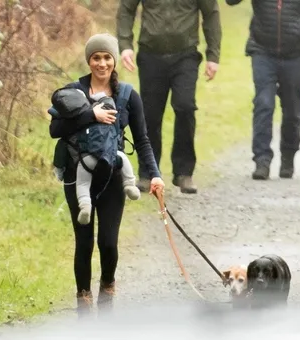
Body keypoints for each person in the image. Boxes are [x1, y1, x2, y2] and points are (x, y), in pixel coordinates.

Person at [48, 33, 164, 318]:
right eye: (96, 58)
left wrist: (156, 176)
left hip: (113, 174)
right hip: (79, 176)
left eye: (107, 57)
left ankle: (107, 289)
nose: (102, 63)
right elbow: (55, 131)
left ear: (115, 61)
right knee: (84, 241)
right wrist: (92, 115)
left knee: (108, 242)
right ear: (89, 60)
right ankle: (83, 302)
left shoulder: (127, 95)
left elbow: (143, 139)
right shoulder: (73, 92)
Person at [116, 0, 222, 194]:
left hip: (186, 55)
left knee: (185, 106)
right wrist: (125, 44)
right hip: (150, 55)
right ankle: (148, 173)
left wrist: (213, 55)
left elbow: (211, 14)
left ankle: (184, 172)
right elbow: (126, 9)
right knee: (150, 114)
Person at [225, 0, 300, 180]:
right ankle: (262, 160)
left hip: (296, 55)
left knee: (292, 110)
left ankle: (288, 156)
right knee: (263, 103)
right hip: (263, 52)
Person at [48, 88, 141, 225]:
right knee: (123, 159)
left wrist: (59, 170)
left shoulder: (68, 114)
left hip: (85, 159)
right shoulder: (100, 106)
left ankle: (85, 205)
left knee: (82, 183)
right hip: (110, 155)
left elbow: (60, 149)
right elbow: (54, 131)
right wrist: (97, 105)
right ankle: (130, 185)